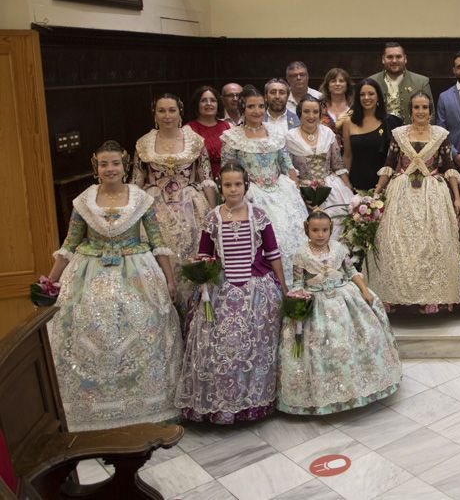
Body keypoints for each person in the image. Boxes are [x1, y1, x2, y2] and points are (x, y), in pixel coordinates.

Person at [46, 140, 182, 431]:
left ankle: (148, 403)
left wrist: (169, 280)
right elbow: (70, 244)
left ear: (124, 166)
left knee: (144, 326)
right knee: (83, 326)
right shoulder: (84, 201)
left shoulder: (140, 199)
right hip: (89, 273)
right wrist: (50, 280)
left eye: (115, 163)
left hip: (136, 272)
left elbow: (158, 242)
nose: (110, 169)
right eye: (104, 164)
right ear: (96, 167)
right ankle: (90, 408)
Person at [175, 162, 286, 424]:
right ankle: (222, 404)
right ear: (221, 186)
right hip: (221, 292)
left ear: (245, 185)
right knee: (220, 348)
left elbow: (273, 254)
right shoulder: (212, 217)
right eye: (228, 185)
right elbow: (204, 253)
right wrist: (201, 274)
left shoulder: (259, 215)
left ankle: (254, 402)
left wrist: (283, 287)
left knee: (254, 348)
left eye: (238, 184)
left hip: (256, 290)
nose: (233, 189)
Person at [277, 211, 402, 415]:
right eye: (315, 230)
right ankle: (325, 394)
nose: (320, 234)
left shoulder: (339, 248)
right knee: (322, 345)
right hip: (316, 301)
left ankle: (360, 388)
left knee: (354, 338)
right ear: (306, 229)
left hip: (343, 297)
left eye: (324, 230)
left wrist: (363, 290)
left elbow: (351, 272)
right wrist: (298, 303)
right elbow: (299, 282)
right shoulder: (301, 253)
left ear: (331, 230)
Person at [370, 93, 460, 313]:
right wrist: (377, 191)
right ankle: (390, 295)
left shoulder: (441, 134)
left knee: (431, 242)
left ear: (430, 111)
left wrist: (457, 198)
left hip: (432, 192)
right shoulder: (399, 134)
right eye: (416, 107)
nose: (420, 112)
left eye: (424, 108)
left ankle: (429, 297)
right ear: (410, 111)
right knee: (395, 241)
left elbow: (449, 167)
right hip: (401, 191)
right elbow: (390, 164)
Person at [135, 93, 217, 310]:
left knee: (193, 257)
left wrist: (214, 213)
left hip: (191, 207)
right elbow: (136, 182)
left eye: (172, 110)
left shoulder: (194, 141)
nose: (167, 115)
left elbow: (206, 178)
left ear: (180, 113)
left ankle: (196, 310)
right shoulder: (144, 144)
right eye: (161, 110)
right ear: (154, 114)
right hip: (155, 208)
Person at [220, 86, 308, 285]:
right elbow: (228, 171)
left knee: (292, 237)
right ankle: (271, 286)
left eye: (261, 106)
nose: (257, 111)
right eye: (251, 106)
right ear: (242, 107)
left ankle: (297, 286)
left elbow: (287, 164)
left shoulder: (276, 133)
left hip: (280, 191)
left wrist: (296, 187)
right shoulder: (233, 137)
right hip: (250, 193)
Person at [286, 96, 354, 238]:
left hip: (331, 188)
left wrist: (349, 190)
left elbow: (338, 165)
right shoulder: (290, 137)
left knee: (338, 230)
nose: (311, 116)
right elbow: (289, 170)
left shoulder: (328, 133)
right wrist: (300, 194)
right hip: (302, 190)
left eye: (315, 112)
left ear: (320, 113)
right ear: (299, 113)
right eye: (306, 111)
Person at [343, 78, 403, 191]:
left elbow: (398, 158)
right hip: (356, 182)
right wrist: (346, 184)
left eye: (371, 94)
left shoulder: (391, 122)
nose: (366, 98)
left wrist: (392, 182)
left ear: (378, 97)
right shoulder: (348, 122)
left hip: (384, 183)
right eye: (362, 94)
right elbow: (347, 156)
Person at [367, 42, 433, 124]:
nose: (394, 61)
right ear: (383, 59)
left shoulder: (421, 82)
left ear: (405, 59)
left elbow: (431, 114)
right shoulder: (371, 82)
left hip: (411, 134)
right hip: (379, 134)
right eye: (390, 57)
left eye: (398, 57)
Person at [185, 85, 232, 179]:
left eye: (213, 100)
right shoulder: (188, 129)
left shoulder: (228, 126)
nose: (209, 103)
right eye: (203, 101)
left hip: (228, 179)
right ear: (196, 104)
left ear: (218, 104)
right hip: (202, 181)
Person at [319, 67, 353, 132]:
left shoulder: (355, 106)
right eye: (333, 81)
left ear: (347, 85)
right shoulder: (319, 106)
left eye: (341, 81)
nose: (337, 84)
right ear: (327, 86)